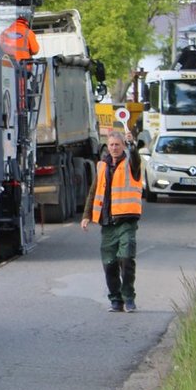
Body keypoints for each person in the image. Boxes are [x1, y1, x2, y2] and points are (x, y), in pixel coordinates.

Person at [81, 128, 143, 312]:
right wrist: (86, 216)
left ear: (123, 146)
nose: (114, 148)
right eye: (111, 145)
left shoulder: (131, 164)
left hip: (126, 221)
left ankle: (129, 297)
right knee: (109, 264)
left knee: (126, 259)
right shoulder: (102, 166)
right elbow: (93, 192)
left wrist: (133, 144)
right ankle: (116, 300)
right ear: (107, 147)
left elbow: (136, 159)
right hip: (107, 223)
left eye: (118, 145)